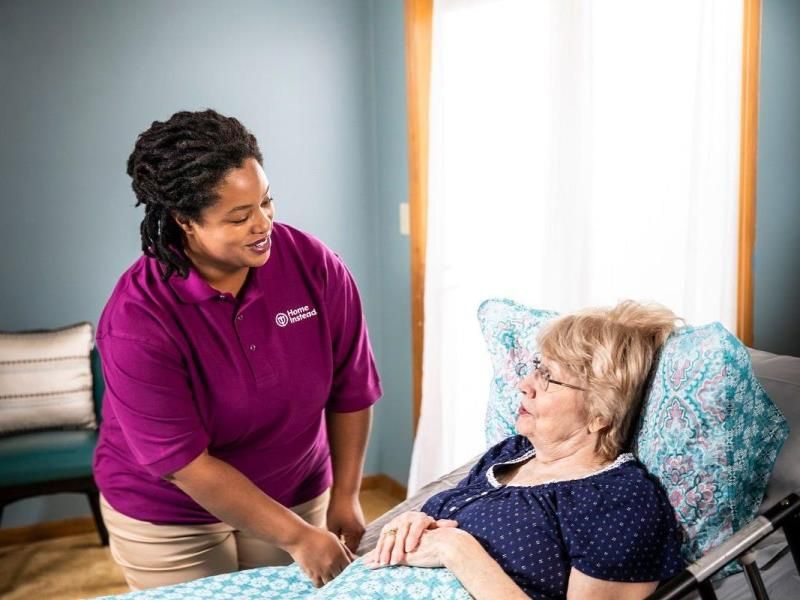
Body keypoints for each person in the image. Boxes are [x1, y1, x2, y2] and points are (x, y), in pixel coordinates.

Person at [93, 109, 382, 590]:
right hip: (172, 518)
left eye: (267, 202)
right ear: (186, 221)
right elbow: (186, 464)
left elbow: (351, 389)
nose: (263, 223)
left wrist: (346, 495)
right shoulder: (137, 319)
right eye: (239, 216)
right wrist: (299, 539)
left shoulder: (313, 265)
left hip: (296, 488)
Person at [364, 301, 685, 599]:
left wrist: (456, 550)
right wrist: (413, 523)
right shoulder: (510, 454)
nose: (524, 384)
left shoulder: (620, 500)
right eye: (536, 367)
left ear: (600, 414)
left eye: (549, 378)